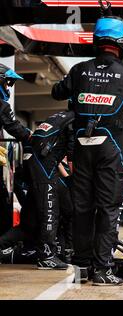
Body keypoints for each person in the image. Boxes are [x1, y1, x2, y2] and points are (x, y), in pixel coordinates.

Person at [52, 14, 123, 285]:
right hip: (110, 150)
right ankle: (102, 269)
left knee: (83, 210)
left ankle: (81, 269)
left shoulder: (79, 70)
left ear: (96, 40)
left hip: (81, 148)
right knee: (107, 209)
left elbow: (58, 91)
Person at [21, 110, 74, 269]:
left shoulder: (60, 116)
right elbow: (73, 156)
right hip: (45, 165)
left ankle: (33, 250)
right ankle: (46, 256)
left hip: (36, 162)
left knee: (36, 213)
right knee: (50, 210)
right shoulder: (75, 121)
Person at [0, 64, 31, 233]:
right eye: (6, 83)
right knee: (3, 198)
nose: (7, 88)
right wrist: (32, 136)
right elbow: (14, 127)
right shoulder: (2, 106)